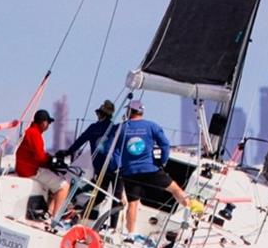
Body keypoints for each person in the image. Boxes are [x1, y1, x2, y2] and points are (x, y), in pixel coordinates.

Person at [110, 100, 189, 235]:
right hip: (150, 169)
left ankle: (130, 235)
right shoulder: (151, 126)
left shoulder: (121, 128)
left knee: (133, 203)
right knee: (175, 189)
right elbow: (165, 144)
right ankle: (191, 209)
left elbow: (114, 151)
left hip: (130, 172)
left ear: (130, 111)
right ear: (141, 111)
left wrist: (119, 167)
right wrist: (163, 161)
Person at [61, 99, 123, 229]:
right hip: (116, 168)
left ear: (101, 114)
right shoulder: (116, 129)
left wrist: (67, 152)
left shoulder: (93, 128)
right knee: (116, 198)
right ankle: (112, 227)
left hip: (101, 167)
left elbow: (79, 143)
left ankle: (80, 214)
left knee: (100, 195)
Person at [16, 109, 70, 218]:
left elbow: (38, 154)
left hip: (23, 168)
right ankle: (55, 219)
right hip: (30, 171)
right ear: (44, 122)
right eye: (48, 123)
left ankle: (48, 213)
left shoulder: (30, 131)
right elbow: (40, 158)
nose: (48, 126)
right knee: (64, 185)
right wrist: (53, 162)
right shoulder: (35, 134)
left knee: (56, 180)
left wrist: (50, 160)